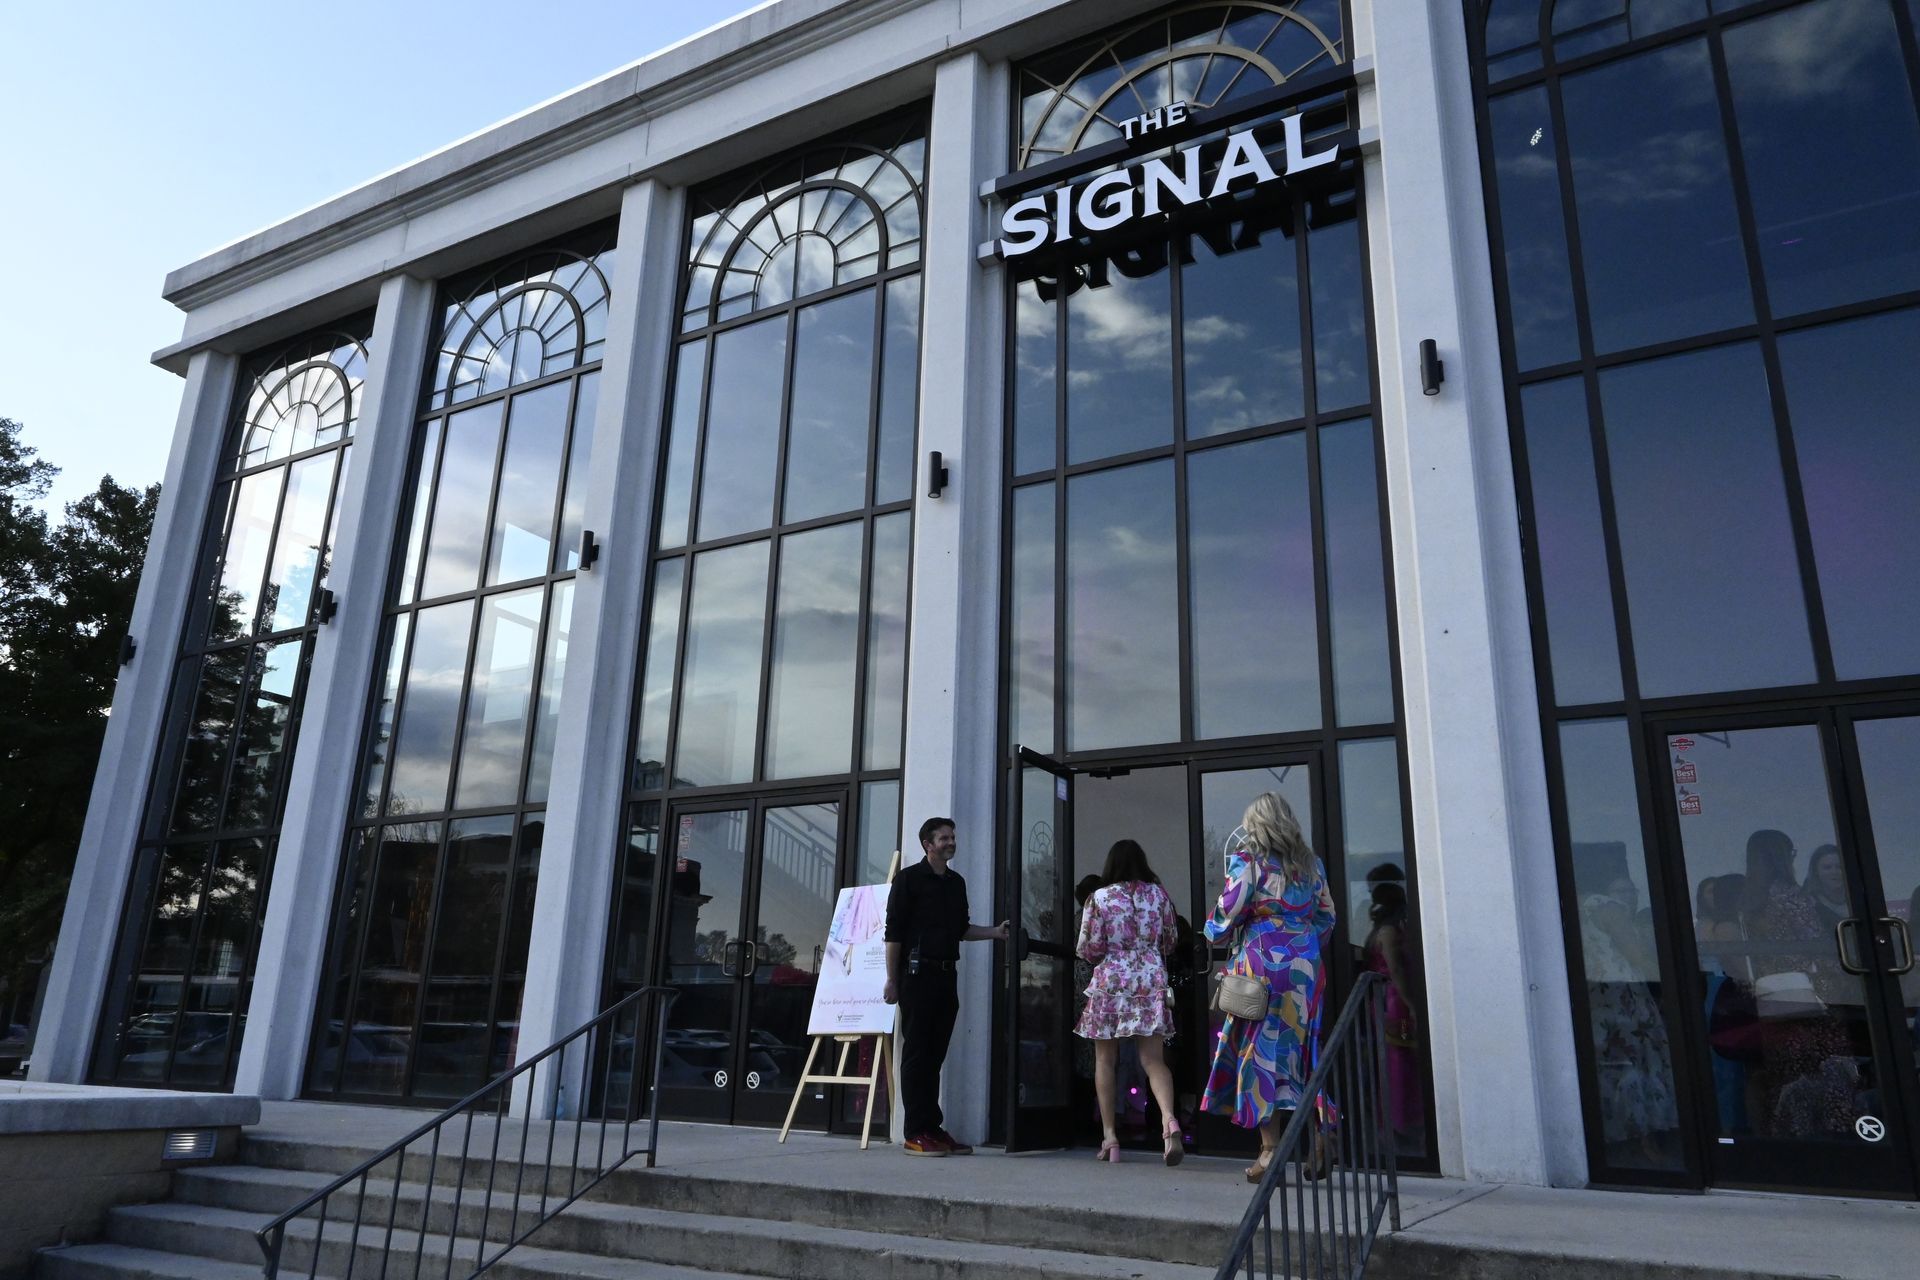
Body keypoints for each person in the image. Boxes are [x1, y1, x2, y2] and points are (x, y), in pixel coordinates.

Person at [1200, 792, 1336, 1183]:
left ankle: (1270, 1150)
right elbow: (1327, 919)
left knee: (1257, 1052)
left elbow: (1227, 914)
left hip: (1262, 965)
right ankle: (1324, 1124)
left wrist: (1212, 933)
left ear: (1256, 825)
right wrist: (1303, 947)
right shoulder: (1313, 867)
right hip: (1305, 966)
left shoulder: (1249, 862)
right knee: (1305, 1050)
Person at [882, 816, 1008, 1156]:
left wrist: (995, 932)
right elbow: (893, 933)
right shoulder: (908, 880)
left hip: (945, 975)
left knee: (935, 1055)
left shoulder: (956, 883)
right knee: (917, 1054)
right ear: (928, 844)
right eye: (944, 838)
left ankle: (932, 1128)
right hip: (915, 976)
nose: (951, 842)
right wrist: (892, 980)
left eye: (952, 836)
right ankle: (914, 1132)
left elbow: (960, 930)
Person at [1074, 839, 1182, 1165]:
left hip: (1111, 982)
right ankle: (1169, 1121)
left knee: (1106, 1060)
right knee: (1153, 1060)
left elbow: (1088, 948)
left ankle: (1110, 1138)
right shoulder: (1158, 895)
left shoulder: (1099, 898)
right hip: (1150, 979)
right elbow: (1171, 940)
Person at [1741, 829, 1853, 1138]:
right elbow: (1813, 945)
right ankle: (1835, 1137)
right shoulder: (1790, 896)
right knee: (1829, 1070)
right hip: (1812, 996)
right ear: (1783, 856)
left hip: (1774, 999)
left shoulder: (1751, 900)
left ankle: (1795, 1137)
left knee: (1790, 1077)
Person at [1363, 880, 1423, 1150]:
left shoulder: (1381, 930)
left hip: (1387, 1000)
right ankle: (1398, 1121)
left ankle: (1401, 1120)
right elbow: (1396, 969)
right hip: (1393, 1001)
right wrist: (1411, 1003)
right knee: (1398, 1062)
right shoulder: (1388, 932)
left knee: (1398, 1062)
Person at [1802, 845, 1849, 931]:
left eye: (1839, 867)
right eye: (1827, 868)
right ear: (1816, 872)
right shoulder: (1808, 904)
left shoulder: (1860, 899)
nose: (1834, 872)